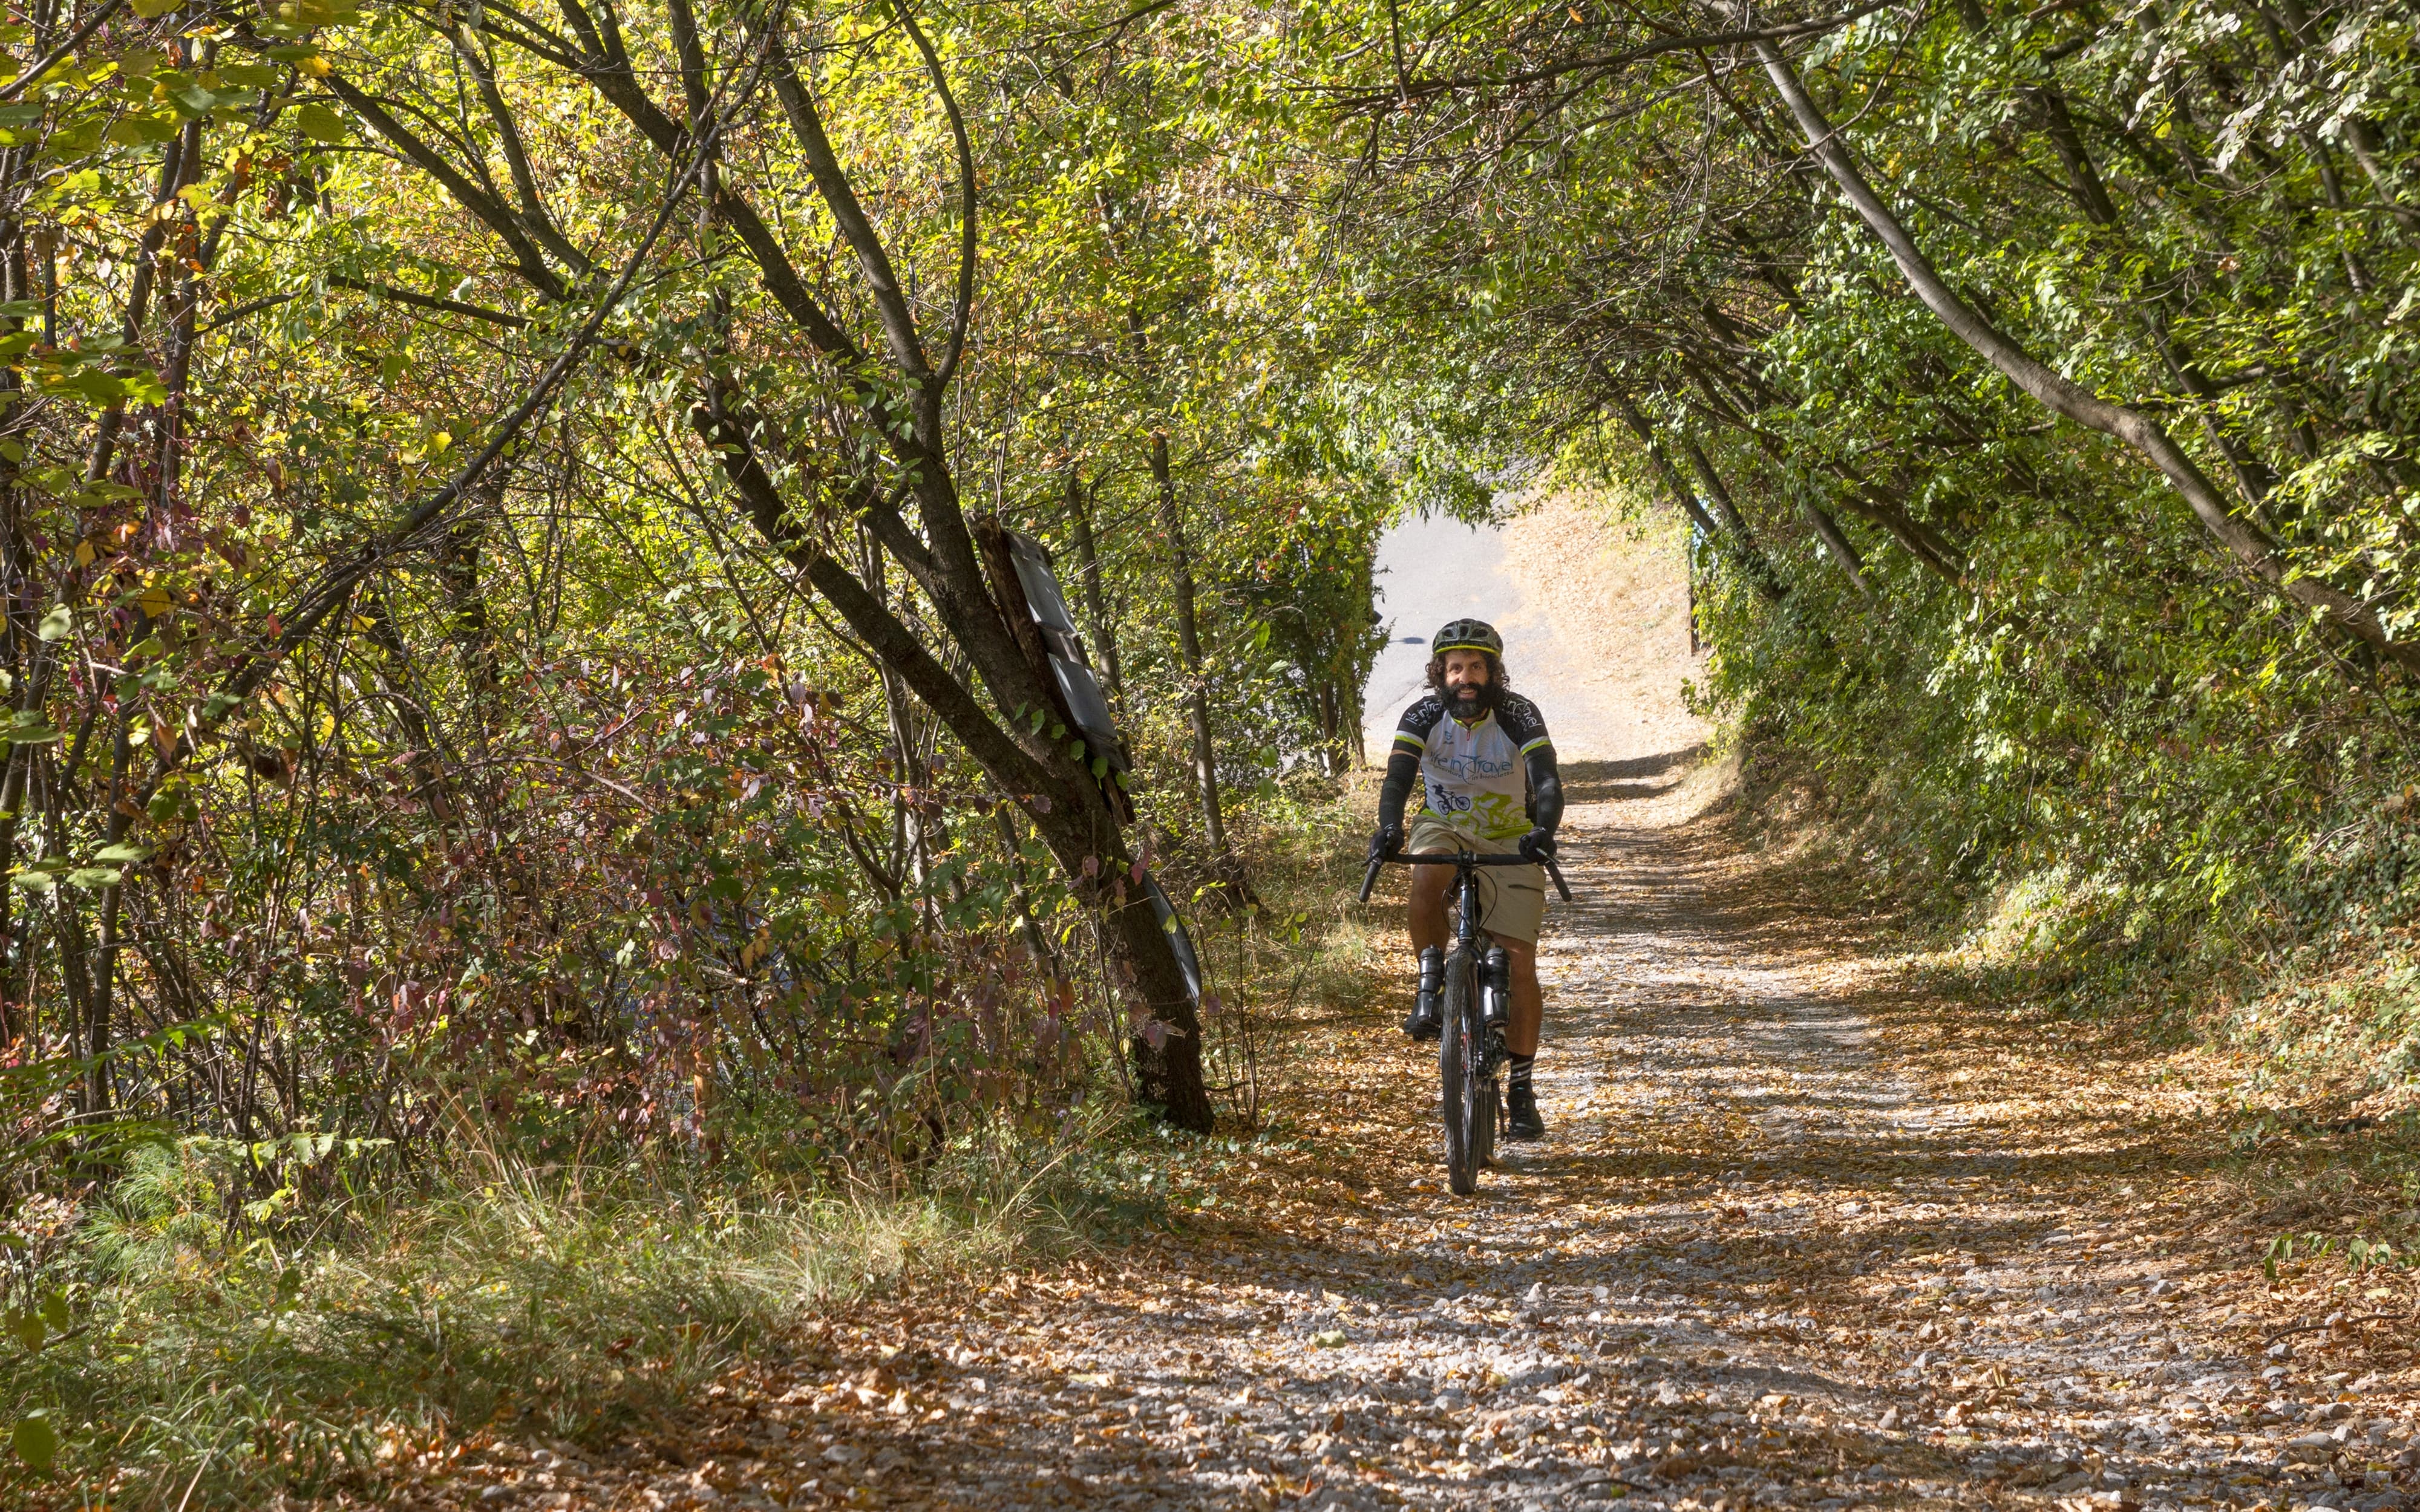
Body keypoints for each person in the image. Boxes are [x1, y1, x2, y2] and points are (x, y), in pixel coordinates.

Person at [1367, 619, 1564, 1140]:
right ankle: (1431, 987)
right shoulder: (1424, 714)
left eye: (1476, 667)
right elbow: (1398, 778)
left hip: (1511, 835)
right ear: (1440, 674)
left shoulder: (1518, 713)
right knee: (1426, 873)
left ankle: (1521, 1089)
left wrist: (1544, 831)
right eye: (1455, 668)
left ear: (1493, 673)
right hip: (1445, 825)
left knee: (1519, 963)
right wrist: (1389, 829)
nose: (1466, 677)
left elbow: (1547, 781)